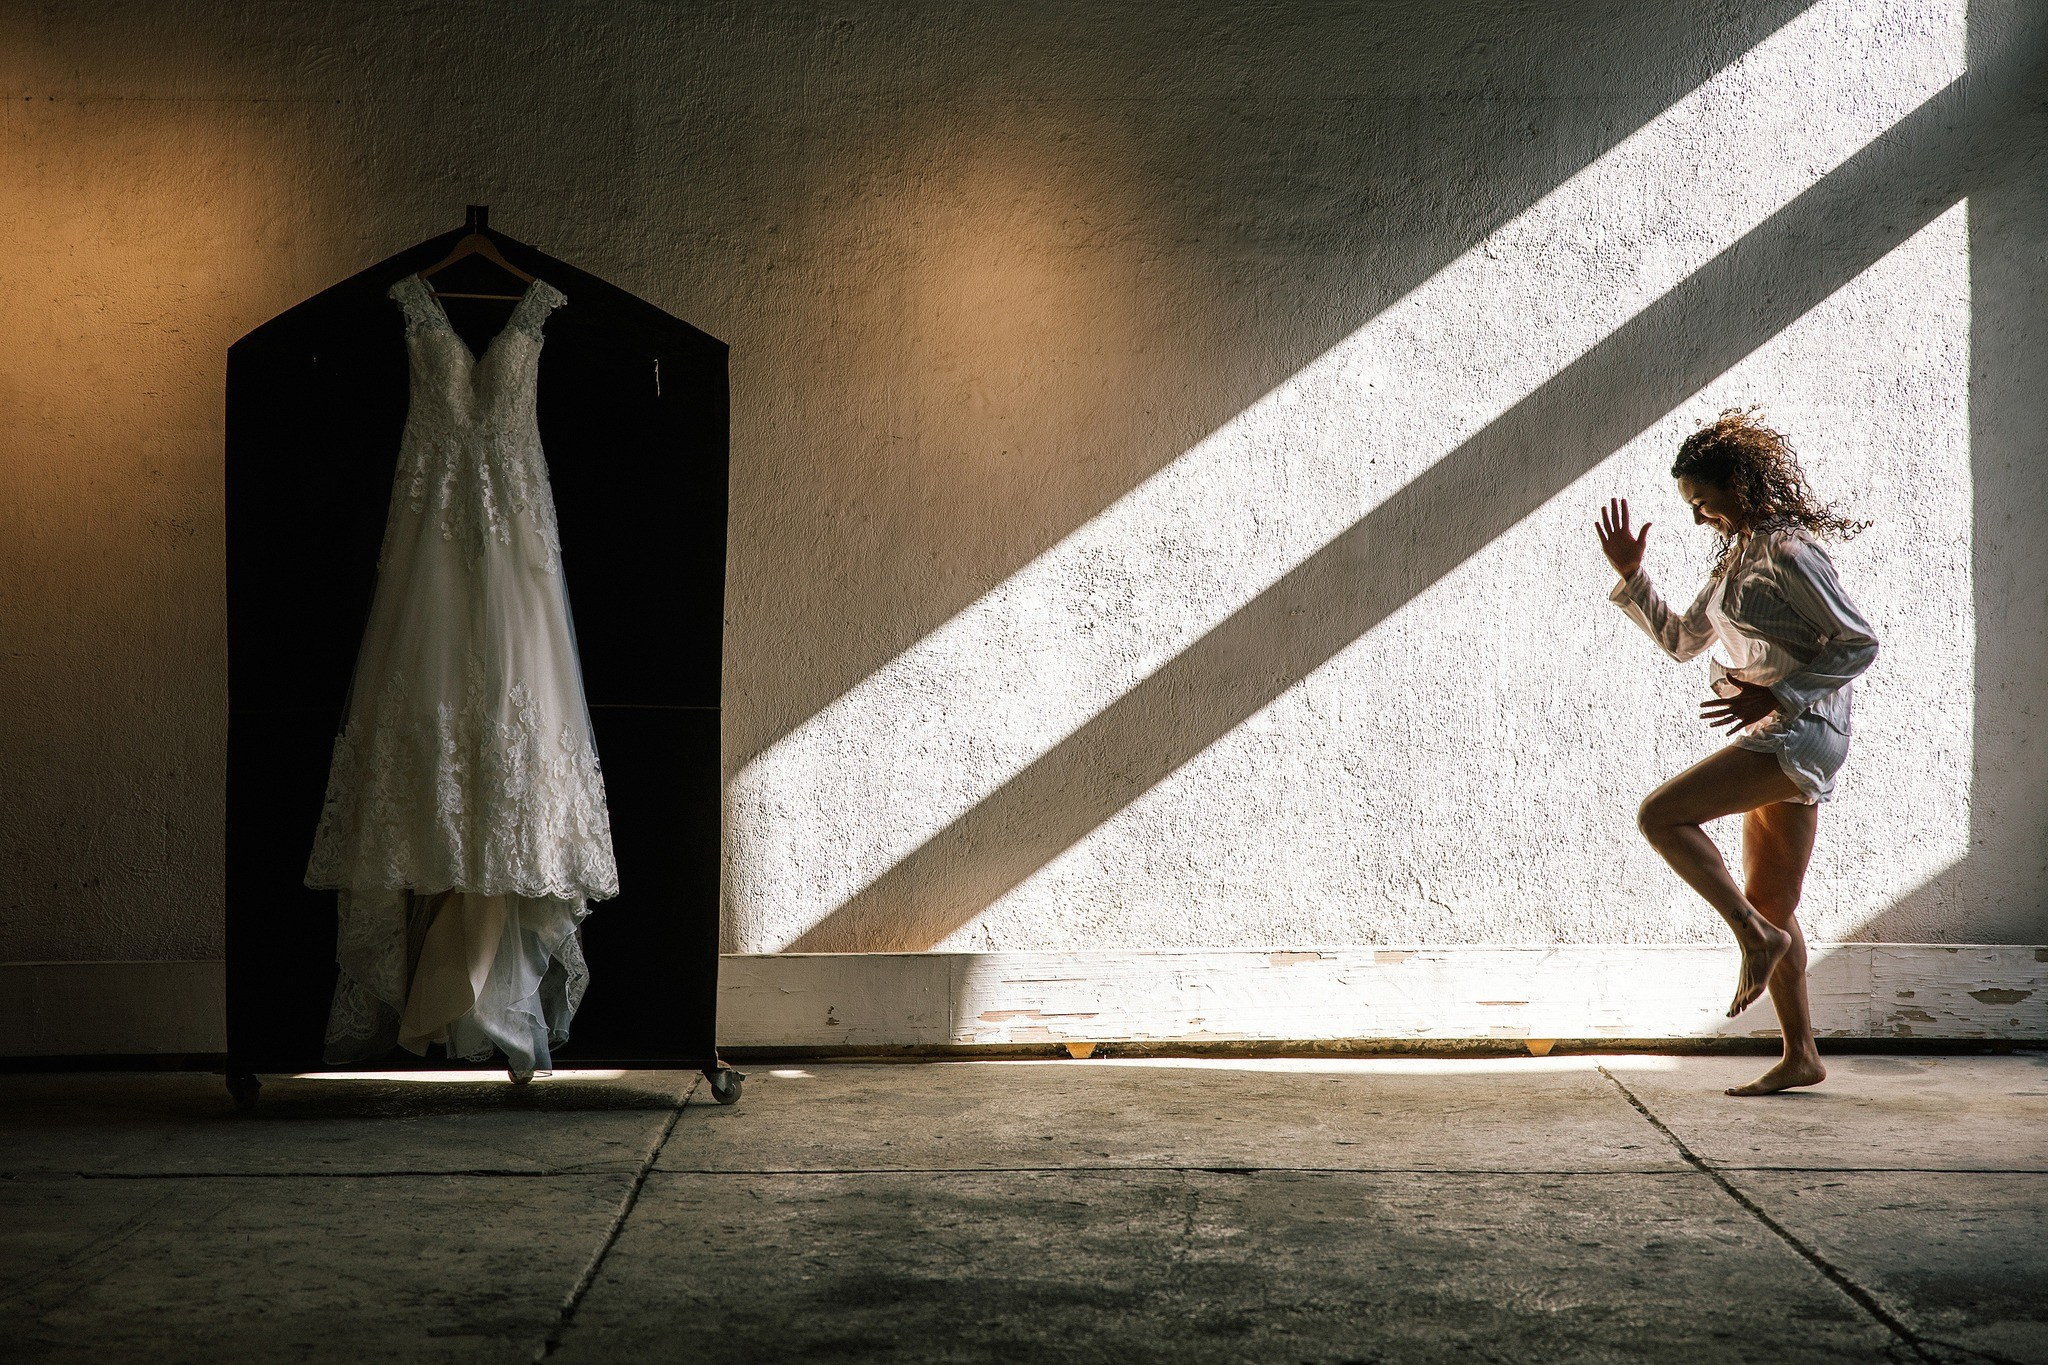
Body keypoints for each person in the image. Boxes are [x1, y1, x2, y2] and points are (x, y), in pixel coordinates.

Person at [1596, 409, 1878, 1096]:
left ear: (1739, 484)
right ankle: (1801, 1054)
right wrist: (1633, 576)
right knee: (1772, 898)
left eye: (1703, 501)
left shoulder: (1790, 552)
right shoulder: (1739, 558)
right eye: (1690, 506)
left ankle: (1753, 936)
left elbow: (1858, 642)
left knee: (1661, 816)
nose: (1698, 517)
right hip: (1778, 728)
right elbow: (1682, 641)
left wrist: (1778, 695)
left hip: (1799, 730)